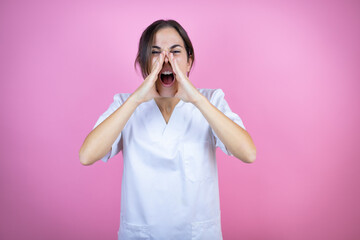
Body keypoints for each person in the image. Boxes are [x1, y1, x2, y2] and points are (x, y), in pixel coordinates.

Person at [79, 19, 256, 240]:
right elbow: (87, 155)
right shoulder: (125, 104)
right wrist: (136, 99)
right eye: (155, 52)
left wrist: (197, 100)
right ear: (144, 62)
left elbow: (248, 153)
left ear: (189, 61)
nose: (166, 60)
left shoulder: (212, 101)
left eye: (175, 52)